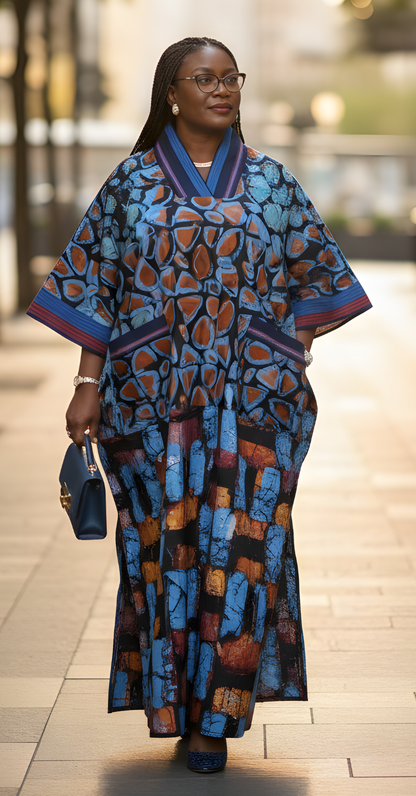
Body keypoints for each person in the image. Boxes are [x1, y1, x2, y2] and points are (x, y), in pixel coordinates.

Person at [27, 36, 371, 774]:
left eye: (230, 78)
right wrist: (87, 384)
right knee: (163, 552)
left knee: (241, 552)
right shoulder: (131, 185)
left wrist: (287, 351)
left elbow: (320, 278)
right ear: (172, 93)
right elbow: (99, 289)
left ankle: (215, 719)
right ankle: (174, 703)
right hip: (149, 404)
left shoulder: (272, 184)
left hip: (253, 407)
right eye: (204, 78)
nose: (222, 89)